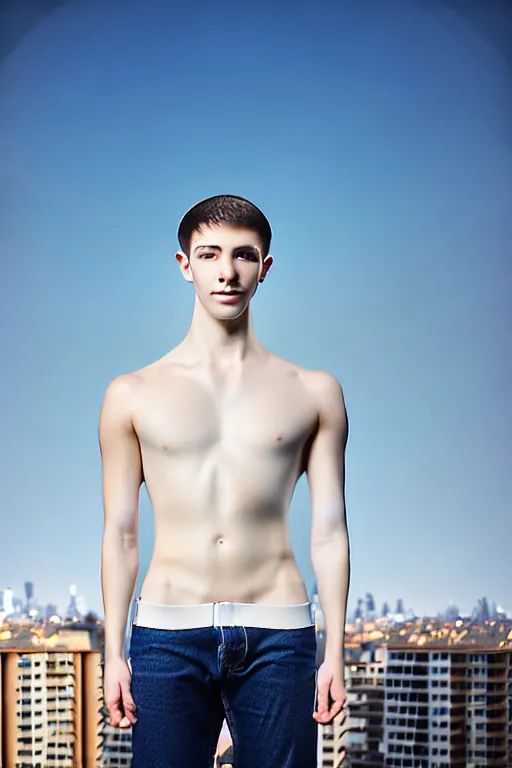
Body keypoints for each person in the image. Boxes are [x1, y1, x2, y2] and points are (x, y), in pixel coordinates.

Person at [99, 194, 350, 768]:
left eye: (244, 255)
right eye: (209, 254)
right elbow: (120, 534)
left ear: (265, 267)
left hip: (279, 630)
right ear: (185, 264)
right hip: (166, 631)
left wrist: (334, 648)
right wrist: (115, 652)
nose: (226, 271)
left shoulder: (314, 392)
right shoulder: (131, 394)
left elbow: (331, 531)